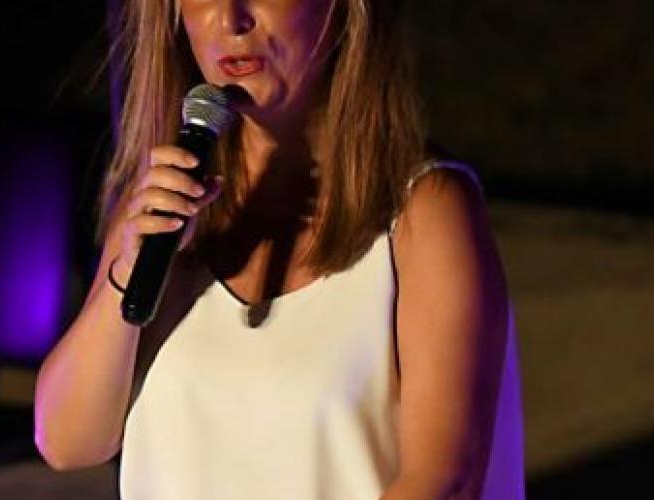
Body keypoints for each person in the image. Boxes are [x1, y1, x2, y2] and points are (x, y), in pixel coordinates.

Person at [34, 0, 525, 498]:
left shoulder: (426, 209)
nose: (231, 19)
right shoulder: (160, 205)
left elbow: (442, 481)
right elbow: (67, 443)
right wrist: (126, 270)